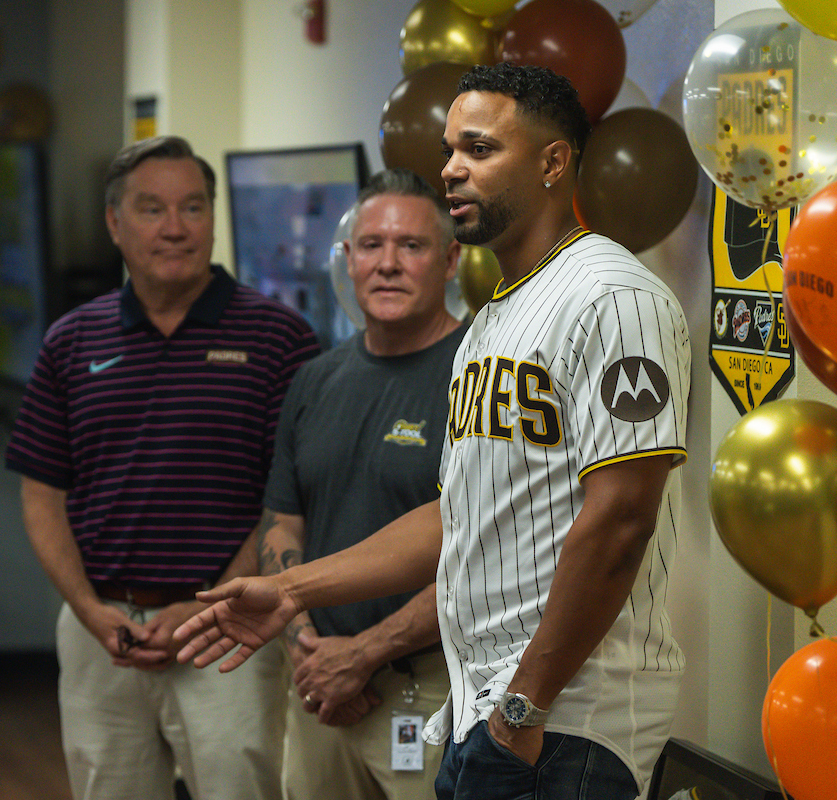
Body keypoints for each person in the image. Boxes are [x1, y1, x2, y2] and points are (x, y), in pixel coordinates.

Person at [176, 63, 691, 800]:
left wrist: (523, 707)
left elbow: (621, 520)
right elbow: (455, 517)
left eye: (479, 149)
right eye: (450, 149)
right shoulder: (490, 324)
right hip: (484, 710)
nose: (449, 168)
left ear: (552, 162)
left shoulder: (615, 297)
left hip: (566, 721)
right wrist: (290, 588)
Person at [5, 135, 320, 800]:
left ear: (212, 218)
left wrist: (211, 608)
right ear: (115, 223)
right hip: (101, 634)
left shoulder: (279, 339)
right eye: (152, 209)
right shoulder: (71, 341)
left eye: (193, 207)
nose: (175, 228)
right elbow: (41, 495)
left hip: (229, 631)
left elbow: (288, 502)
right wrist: (90, 611)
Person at [260, 168, 465, 799]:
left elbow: (485, 555)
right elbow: (282, 525)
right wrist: (306, 645)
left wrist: (367, 652)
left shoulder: (480, 376)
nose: (388, 264)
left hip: (425, 688)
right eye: (372, 245)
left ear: (451, 261)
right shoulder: (314, 380)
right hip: (317, 685)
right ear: (348, 260)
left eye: (412, 245)